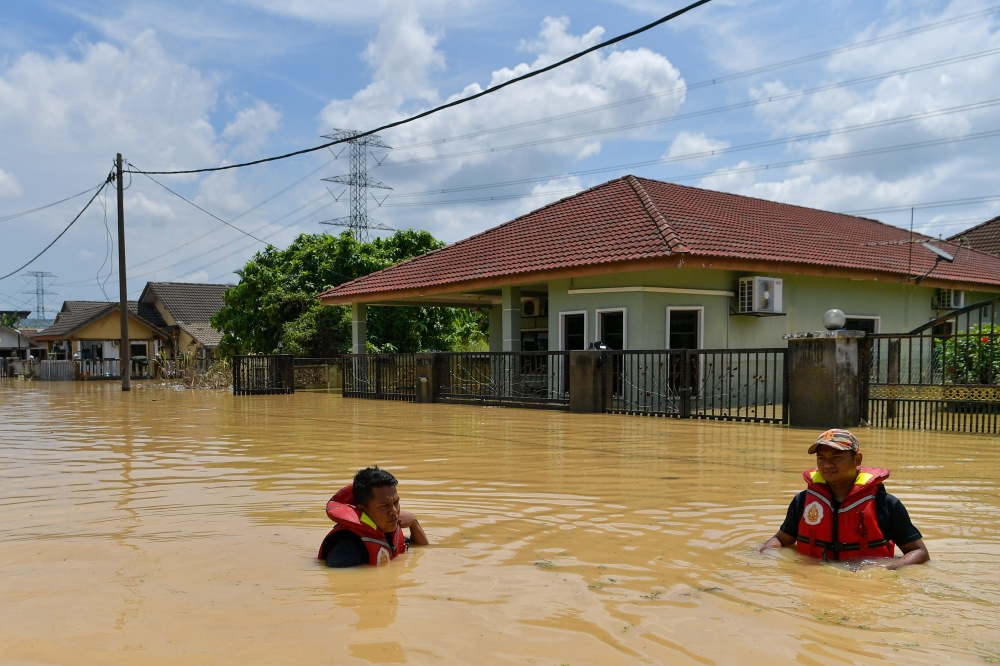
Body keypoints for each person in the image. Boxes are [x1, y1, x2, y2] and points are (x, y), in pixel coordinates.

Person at [761, 429, 929, 570]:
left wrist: (885, 570)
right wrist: (766, 553)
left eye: (837, 457)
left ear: (857, 459)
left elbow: (919, 553)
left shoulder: (885, 504)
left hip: (864, 589)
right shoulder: (803, 501)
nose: (827, 464)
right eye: (821, 458)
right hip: (813, 584)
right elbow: (781, 539)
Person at [318, 466, 429, 567]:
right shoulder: (347, 549)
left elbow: (422, 550)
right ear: (362, 509)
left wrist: (414, 523)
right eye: (384, 506)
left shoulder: (385, 529)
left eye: (395, 503)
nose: (394, 511)